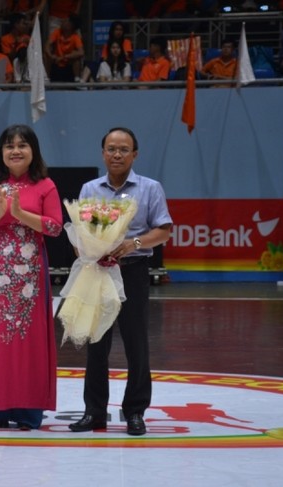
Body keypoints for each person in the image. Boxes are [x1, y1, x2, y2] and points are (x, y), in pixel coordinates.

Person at [69, 127, 172, 436]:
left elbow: (164, 230)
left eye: (123, 149)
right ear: (103, 153)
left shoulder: (150, 188)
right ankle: (94, 412)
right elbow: (78, 231)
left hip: (133, 271)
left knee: (136, 344)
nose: (117, 154)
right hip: (98, 272)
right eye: (111, 149)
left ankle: (135, 411)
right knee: (96, 343)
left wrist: (133, 244)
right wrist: (88, 251)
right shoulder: (90, 188)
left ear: (134, 155)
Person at [0, 124, 63, 431]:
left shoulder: (45, 184)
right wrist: (0, 213)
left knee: (29, 338)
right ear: (1, 152)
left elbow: (55, 227)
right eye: (9, 145)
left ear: (33, 150)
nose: (16, 150)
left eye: (22, 145)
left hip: (31, 272)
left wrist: (21, 214)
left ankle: (28, 411)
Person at [45, 14, 84, 83]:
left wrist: (64, 57)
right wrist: (51, 55)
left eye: (66, 21)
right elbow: (47, 45)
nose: (63, 22)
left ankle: (77, 79)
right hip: (56, 61)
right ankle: (46, 78)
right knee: (45, 56)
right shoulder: (57, 32)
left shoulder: (75, 37)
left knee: (77, 58)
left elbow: (81, 52)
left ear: (71, 26)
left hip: (68, 64)